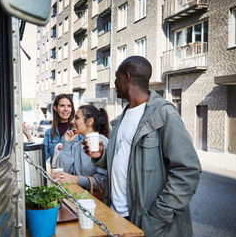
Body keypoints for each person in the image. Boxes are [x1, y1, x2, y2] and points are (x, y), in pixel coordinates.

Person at [84, 56, 201, 237]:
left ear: (126, 77)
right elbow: (127, 160)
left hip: (149, 223)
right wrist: (101, 154)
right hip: (117, 215)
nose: (114, 84)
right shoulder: (122, 118)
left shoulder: (164, 114)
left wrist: (158, 215)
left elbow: (188, 171)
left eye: (116, 77)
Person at [52, 105, 109, 192]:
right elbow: (64, 172)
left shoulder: (102, 143)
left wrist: (77, 179)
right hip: (77, 197)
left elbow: (104, 182)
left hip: (95, 202)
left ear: (90, 121)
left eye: (77, 118)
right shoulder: (76, 146)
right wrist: (66, 143)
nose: (72, 121)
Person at [23, 94, 83, 160]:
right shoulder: (49, 133)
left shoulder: (78, 131)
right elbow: (42, 156)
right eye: (62, 105)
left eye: (69, 106)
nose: (66, 109)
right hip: (56, 170)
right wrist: (29, 137)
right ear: (55, 108)